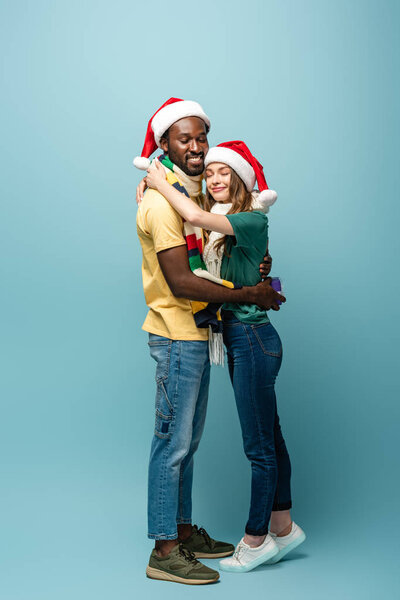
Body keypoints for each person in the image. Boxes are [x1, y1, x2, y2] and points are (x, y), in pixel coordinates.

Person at [134, 99, 283, 585]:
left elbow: (226, 228)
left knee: (187, 443)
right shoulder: (161, 202)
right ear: (164, 146)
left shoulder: (188, 193)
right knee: (172, 444)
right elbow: (181, 280)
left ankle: (181, 530)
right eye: (185, 140)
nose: (197, 148)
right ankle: (164, 549)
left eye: (202, 137)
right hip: (177, 334)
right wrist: (249, 293)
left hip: (199, 333)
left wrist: (255, 267)